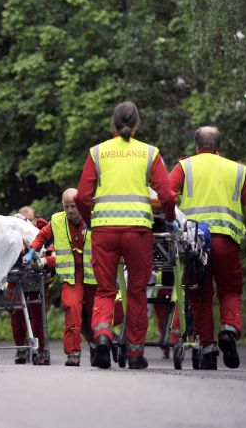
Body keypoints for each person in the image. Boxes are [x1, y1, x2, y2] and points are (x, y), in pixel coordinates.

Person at [76, 101, 177, 369]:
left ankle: (102, 335)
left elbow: (82, 196)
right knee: (137, 292)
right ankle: (134, 353)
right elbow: (167, 196)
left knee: (105, 289)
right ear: (137, 123)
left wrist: (90, 221)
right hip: (138, 231)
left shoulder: (98, 152)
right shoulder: (149, 153)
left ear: (113, 123)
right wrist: (169, 218)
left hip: (104, 230)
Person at [169, 125, 246, 369]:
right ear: (219, 145)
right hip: (227, 241)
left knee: (200, 293)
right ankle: (229, 330)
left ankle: (207, 348)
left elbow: (167, 197)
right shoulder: (236, 169)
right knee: (230, 290)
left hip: (195, 242)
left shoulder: (185, 167)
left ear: (196, 145)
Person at [29, 188, 96, 367]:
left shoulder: (96, 219)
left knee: (95, 313)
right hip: (72, 276)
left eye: (73, 206)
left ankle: (97, 345)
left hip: (93, 276)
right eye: (66, 206)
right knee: (71, 309)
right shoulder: (57, 220)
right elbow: (42, 235)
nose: (70, 210)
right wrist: (31, 251)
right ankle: (73, 353)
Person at [2, 207, 51, 365]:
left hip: (37, 277)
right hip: (15, 277)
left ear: (35, 221)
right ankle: (21, 347)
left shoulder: (44, 232)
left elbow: (51, 253)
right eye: (21, 221)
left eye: (28, 220)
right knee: (17, 312)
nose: (24, 224)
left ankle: (41, 349)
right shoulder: (9, 233)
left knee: (38, 314)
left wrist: (44, 261)